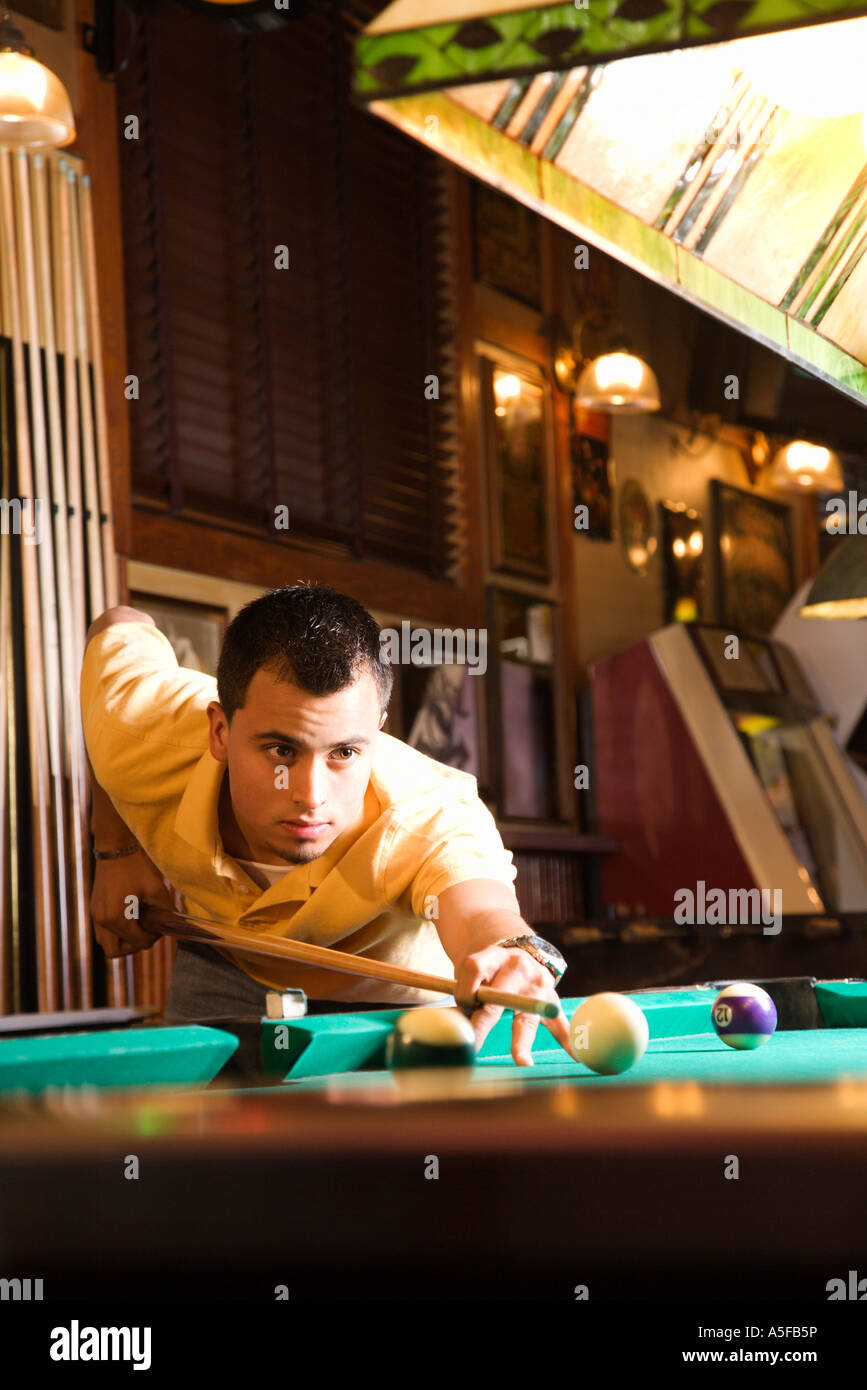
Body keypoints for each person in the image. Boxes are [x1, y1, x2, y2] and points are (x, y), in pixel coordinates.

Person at [81, 583, 570, 1065]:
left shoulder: (428, 813)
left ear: (376, 733)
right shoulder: (144, 726)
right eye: (281, 750)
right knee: (194, 1136)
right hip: (226, 960)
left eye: (344, 752)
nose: (311, 796)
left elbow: (480, 908)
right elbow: (118, 623)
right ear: (220, 731)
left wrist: (512, 947)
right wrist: (116, 850)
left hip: (393, 1003)